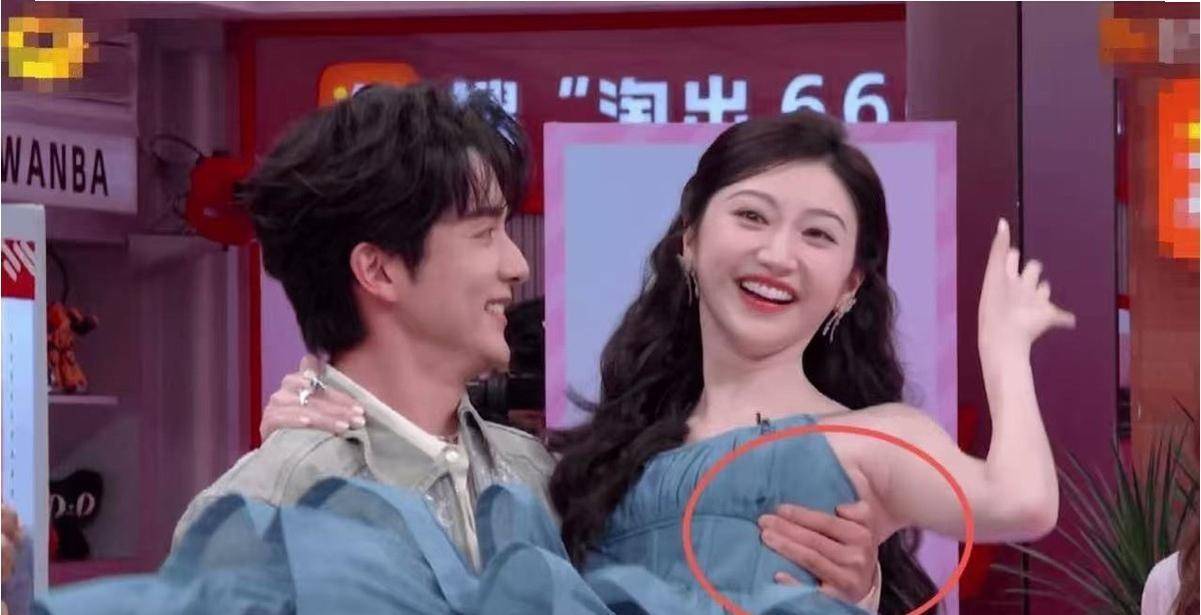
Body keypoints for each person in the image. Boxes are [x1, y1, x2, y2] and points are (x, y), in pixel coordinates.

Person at [34, 87, 880, 613]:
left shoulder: (538, 476)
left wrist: (850, 593)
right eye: (484, 233)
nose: (517, 265)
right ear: (378, 269)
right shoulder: (270, 504)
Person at [260, 111, 1074, 613]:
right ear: (689, 238)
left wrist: (1005, 352)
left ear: (850, 283)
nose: (777, 253)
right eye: (750, 216)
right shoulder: (579, 466)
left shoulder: (869, 438)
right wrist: (325, 417)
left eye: (818, 234)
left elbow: (1021, 500)